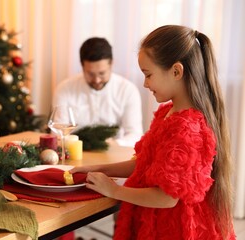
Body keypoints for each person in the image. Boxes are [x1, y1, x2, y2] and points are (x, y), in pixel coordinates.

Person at [70, 25, 235, 239]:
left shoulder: (187, 129)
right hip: (154, 219)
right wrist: (99, 168)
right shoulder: (168, 113)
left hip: (174, 228)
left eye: (148, 75)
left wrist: (114, 191)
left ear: (176, 71)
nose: (145, 83)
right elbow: (146, 164)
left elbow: (167, 198)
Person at [52, 37, 143, 147]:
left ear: (111, 64)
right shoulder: (64, 89)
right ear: (82, 66)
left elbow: (135, 134)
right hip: (73, 152)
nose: (97, 80)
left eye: (102, 73)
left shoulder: (128, 90)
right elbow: (58, 132)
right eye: (90, 74)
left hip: (115, 154)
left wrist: (114, 144)